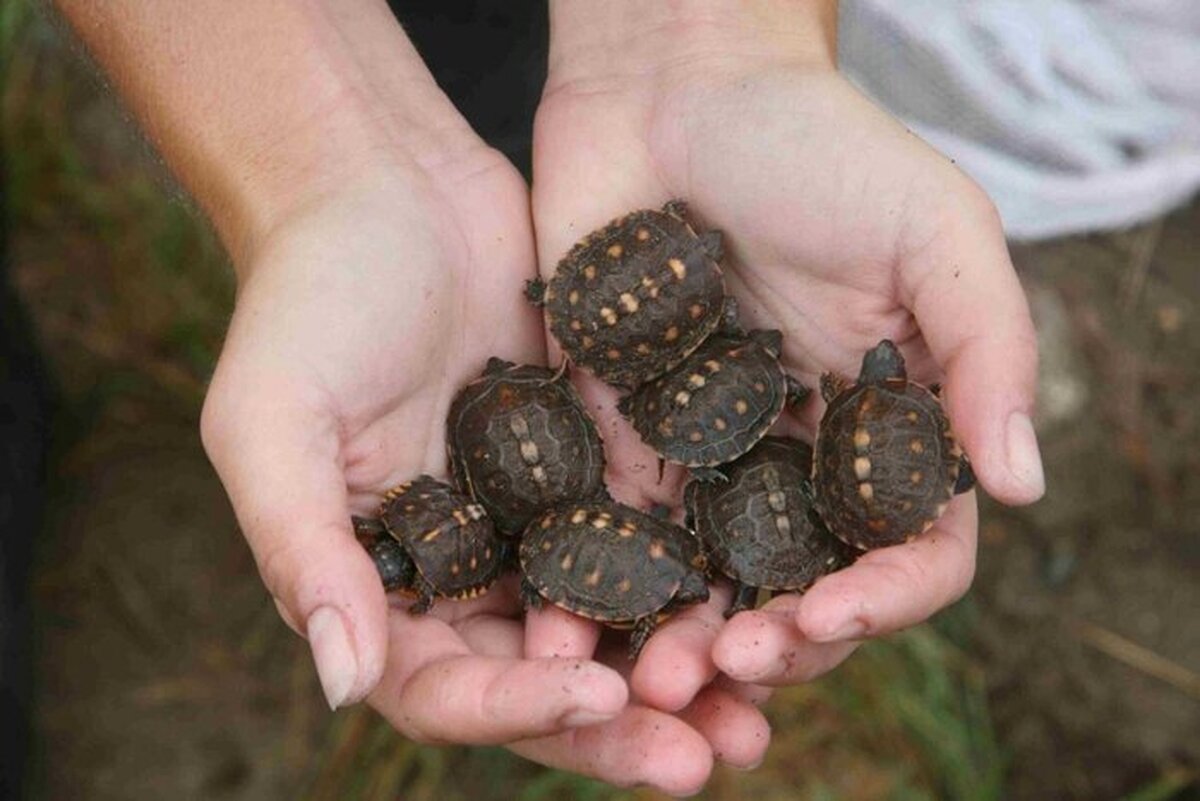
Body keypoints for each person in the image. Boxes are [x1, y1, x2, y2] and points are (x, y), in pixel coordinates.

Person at [50, 1, 1044, 794]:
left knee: (488, 55)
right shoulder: (702, 358)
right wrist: (320, 165)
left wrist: (698, 38)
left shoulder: (683, 370)